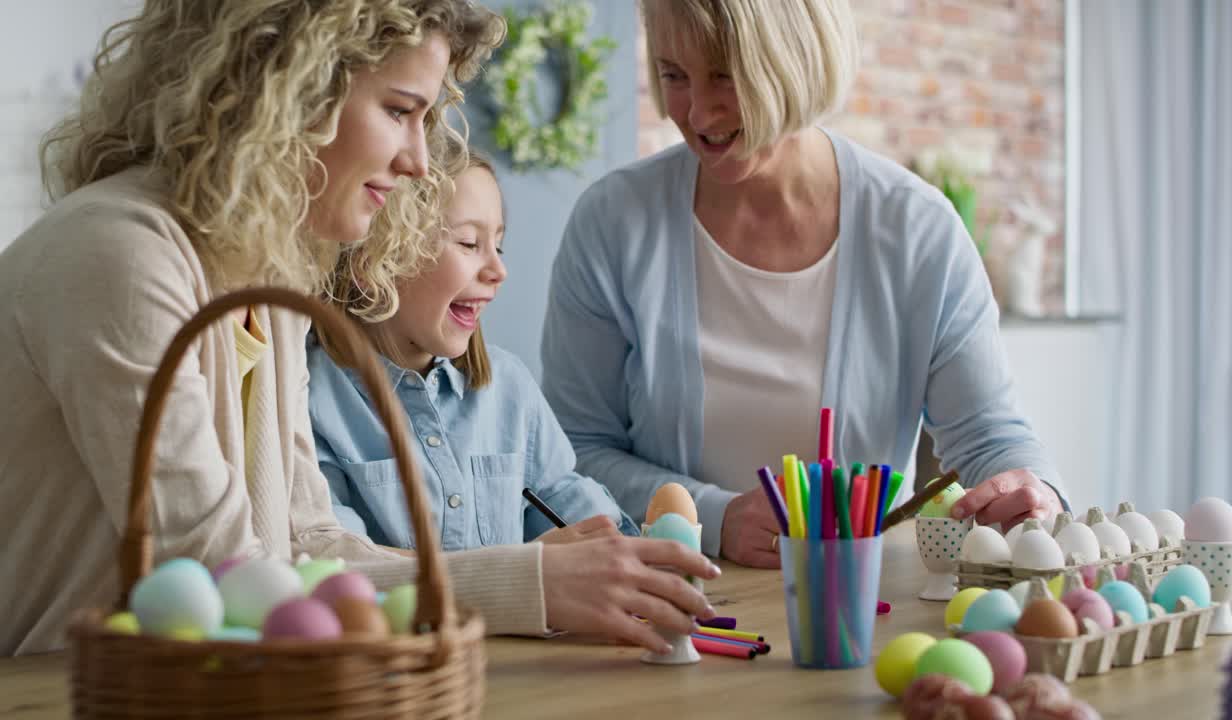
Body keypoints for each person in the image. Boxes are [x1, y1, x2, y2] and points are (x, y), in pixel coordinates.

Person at [0, 0, 714, 657]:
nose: (419, 161)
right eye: (400, 111)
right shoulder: (120, 254)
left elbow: (308, 545)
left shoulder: (266, 276)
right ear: (290, 89)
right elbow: (226, 578)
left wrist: (541, 573)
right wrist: (530, 583)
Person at [540, 0, 1067, 570]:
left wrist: (1035, 495)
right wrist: (713, 516)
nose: (696, 113)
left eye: (726, 74)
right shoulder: (613, 223)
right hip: (670, 611)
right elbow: (574, 452)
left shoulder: (918, 232)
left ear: (797, 61)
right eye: (674, 75)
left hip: (854, 612)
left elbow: (989, 440)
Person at [310, 145, 640, 551]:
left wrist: (631, 546)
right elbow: (339, 561)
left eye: (497, 246)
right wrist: (520, 571)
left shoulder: (509, 387)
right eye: (468, 243)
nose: (498, 271)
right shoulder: (311, 398)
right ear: (372, 264)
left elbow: (568, 503)